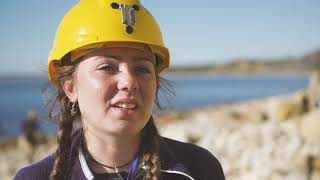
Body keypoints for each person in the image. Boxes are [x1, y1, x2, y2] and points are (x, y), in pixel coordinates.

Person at [14, 0, 225, 179]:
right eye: (107, 67)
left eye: (142, 69)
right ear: (70, 87)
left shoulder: (199, 169)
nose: (129, 81)